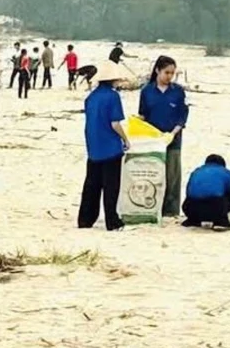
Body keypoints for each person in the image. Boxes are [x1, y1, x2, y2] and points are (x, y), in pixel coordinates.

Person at [78, 62, 130, 230]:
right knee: (111, 186)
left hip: (93, 144)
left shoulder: (91, 97)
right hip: (110, 146)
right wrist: (125, 139)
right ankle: (112, 220)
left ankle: (85, 219)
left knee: (92, 185)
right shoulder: (113, 97)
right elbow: (115, 123)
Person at [139, 55, 189, 219]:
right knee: (153, 174)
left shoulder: (178, 92)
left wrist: (172, 133)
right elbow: (143, 115)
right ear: (157, 70)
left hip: (173, 139)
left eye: (172, 73)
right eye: (166, 72)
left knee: (172, 176)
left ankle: (171, 211)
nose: (169, 76)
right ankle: (152, 208)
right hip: (152, 140)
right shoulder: (146, 91)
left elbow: (182, 117)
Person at [182, 154, 230, 229]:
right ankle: (221, 221)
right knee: (225, 196)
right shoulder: (226, 172)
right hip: (216, 207)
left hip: (191, 207)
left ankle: (193, 220)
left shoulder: (196, 171)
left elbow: (189, 192)